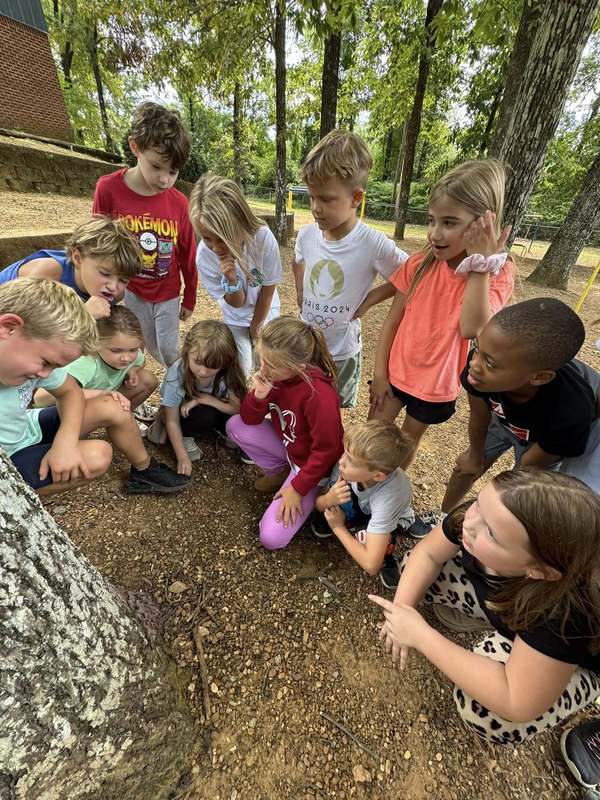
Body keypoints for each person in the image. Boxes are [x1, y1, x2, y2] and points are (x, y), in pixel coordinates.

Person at [369, 469, 600, 747]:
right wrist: (401, 611)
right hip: (515, 604)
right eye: (478, 503)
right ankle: (502, 627)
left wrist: (421, 636)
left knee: (487, 713)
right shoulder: (484, 516)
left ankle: (530, 655)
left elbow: (517, 702)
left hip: (575, 659)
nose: (469, 523)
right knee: (414, 574)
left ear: (540, 570)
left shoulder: (563, 613)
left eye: (491, 533)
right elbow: (428, 554)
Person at [407, 298, 598, 543]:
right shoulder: (482, 370)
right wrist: (475, 455)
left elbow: (528, 467)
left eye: (489, 362)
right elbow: (479, 414)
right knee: (465, 467)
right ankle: (444, 517)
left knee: (517, 495)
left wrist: (490, 507)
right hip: (504, 417)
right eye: (477, 349)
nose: (474, 365)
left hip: (545, 439)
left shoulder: (570, 414)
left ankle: (486, 533)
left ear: (539, 377)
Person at [369, 159, 515, 470]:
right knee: (370, 437)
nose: (435, 233)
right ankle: (355, 490)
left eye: (449, 223)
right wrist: (380, 374)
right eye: (432, 220)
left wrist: (479, 264)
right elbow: (392, 320)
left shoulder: (498, 273)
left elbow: (472, 327)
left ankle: (385, 502)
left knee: (404, 448)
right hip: (394, 375)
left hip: (434, 387)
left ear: (482, 225)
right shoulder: (421, 263)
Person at [0, 277, 190, 496]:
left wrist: (66, 441)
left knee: (113, 406)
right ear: (8, 327)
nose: (44, 374)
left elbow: (69, 391)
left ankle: (144, 469)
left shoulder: (37, 358)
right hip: (10, 457)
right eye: (45, 362)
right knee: (98, 456)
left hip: (27, 428)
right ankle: (20, 499)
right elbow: (44, 396)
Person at [292, 130, 409, 408]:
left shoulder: (372, 243)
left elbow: (409, 273)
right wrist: (300, 292)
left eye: (327, 199)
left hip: (342, 351)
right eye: (312, 197)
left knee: (333, 408)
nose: (316, 208)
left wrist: (369, 300)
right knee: (304, 399)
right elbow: (297, 260)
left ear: (356, 197)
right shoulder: (307, 234)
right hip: (307, 345)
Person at [92, 101, 197, 370]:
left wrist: (190, 296)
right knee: (144, 345)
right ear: (135, 147)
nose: (164, 179)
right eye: (157, 167)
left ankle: (182, 387)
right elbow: (98, 247)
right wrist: (100, 292)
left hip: (168, 290)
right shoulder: (108, 189)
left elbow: (187, 253)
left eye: (173, 172)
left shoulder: (178, 202)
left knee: (170, 349)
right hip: (132, 290)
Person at [226, 316, 344, 550]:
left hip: (313, 467)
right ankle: (280, 473)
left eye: (271, 364)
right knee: (235, 426)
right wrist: (259, 395)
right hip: (292, 449)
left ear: (298, 366)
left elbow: (327, 452)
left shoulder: (318, 395)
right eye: (262, 359)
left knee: (271, 538)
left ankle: (311, 490)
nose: (263, 368)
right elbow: (250, 419)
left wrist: (298, 488)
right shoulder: (276, 376)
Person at [189, 173, 282, 376]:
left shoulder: (263, 239)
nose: (214, 247)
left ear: (240, 222)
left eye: (221, 238)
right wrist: (232, 281)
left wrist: (256, 328)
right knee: (242, 369)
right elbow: (237, 303)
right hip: (236, 317)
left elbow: (267, 290)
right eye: (206, 238)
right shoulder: (204, 258)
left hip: (266, 310)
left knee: (269, 364)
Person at [311, 420, 414, 576]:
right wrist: (328, 499)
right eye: (345, 451)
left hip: (389, 515)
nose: (341, 461)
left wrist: (338, 527)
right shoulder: (348, 464)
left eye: (350, 460)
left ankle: (387, 553)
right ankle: (354, 524)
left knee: (367, 540)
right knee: (337, 499)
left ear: (378, 475)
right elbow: (317, 502)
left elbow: (371, 566)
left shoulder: (390, 497)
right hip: (364, 504)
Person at [149, 320, 247, 475]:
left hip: (213, 405)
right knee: (203, 415)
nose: (202, 371)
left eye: (212, 366)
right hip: (183, 413)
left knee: (237, 420)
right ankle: (185, 436)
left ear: (226, 362)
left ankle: (218, 430)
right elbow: (172, 420)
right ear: (188, 351)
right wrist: (181, 456)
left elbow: (237, 409)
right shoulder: (177, 374)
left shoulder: (229, 373)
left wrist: (204, 399)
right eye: (198, 362)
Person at [0, 216, 141, 320]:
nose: (113, 286)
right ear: (78, 258)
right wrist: (83, 315)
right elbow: (26, 326)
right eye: (105, 273)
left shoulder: (112, 293)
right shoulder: (46, 273)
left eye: (123, 280)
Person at [34, 305, 157, 413]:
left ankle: (122, 418)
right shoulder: (87, 363)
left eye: (133, 350)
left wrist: (133, 370)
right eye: (116, 351)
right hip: (57, 412)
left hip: (95, 400)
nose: (126, 358)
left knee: (147, 380)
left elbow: (140, 361)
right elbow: (40, 398)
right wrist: (100, 394)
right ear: (95, 342)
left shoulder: (130, 356)